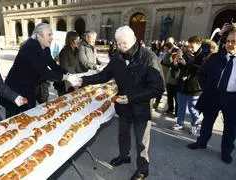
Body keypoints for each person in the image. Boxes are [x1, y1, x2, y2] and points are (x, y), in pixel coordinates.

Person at [74, 25, 164, 180]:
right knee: (123, 134)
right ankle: (124, 156)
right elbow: (104, 75)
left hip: (140, 106)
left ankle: (143, 169)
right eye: (119, 43)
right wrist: (83, 80)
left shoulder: (149, 57)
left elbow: (158, 87)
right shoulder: (117, 57)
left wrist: (132, 97)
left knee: (141, 141)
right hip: (123, 105)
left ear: (134, 40)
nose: (121, 47)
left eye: (125, 43)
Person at [0, 23, 76, 117]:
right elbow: (44, 72)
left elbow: (53, 65)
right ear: (39, 36)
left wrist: (69, 74)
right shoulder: (30, 47)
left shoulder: (45, 48)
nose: (52, 38)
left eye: (51, 34)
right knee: (13, 120)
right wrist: (66, 77)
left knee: (29, 116)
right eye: (49, 35)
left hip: (29, 88)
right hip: (15, 89)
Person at [187, 29, 236, 164]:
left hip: (232, 99)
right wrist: (206, 88)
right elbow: (202, 72)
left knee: (231, 127)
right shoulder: (215, 57)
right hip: (213, 95)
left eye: (234, 41)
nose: (230, 44)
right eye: (228, 41)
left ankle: (226, 151)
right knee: (207, 121)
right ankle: (201, 142)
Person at [171, 36, 206, 135]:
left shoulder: (203, 55)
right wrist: (175, 61)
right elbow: (176, 67)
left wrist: (186, 64)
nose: (189, 48)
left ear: (199, 44)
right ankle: (179, 123)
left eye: (192, 46)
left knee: (193, 108)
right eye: (188, 46)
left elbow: (200, 70)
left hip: (195, 87)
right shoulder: (185, 54)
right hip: (182, 85)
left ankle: (195, 124)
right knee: (180, 106)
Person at [55, 31, 81, 96]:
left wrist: (87, 71)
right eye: (77, 39)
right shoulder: (64, 51)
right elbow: (64, 67)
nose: (79, 41)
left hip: (73, 79)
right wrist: (73, 75)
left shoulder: (76, 50)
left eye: (79, 39)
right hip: (64, 82)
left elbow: (77, 66)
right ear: (71, 40)